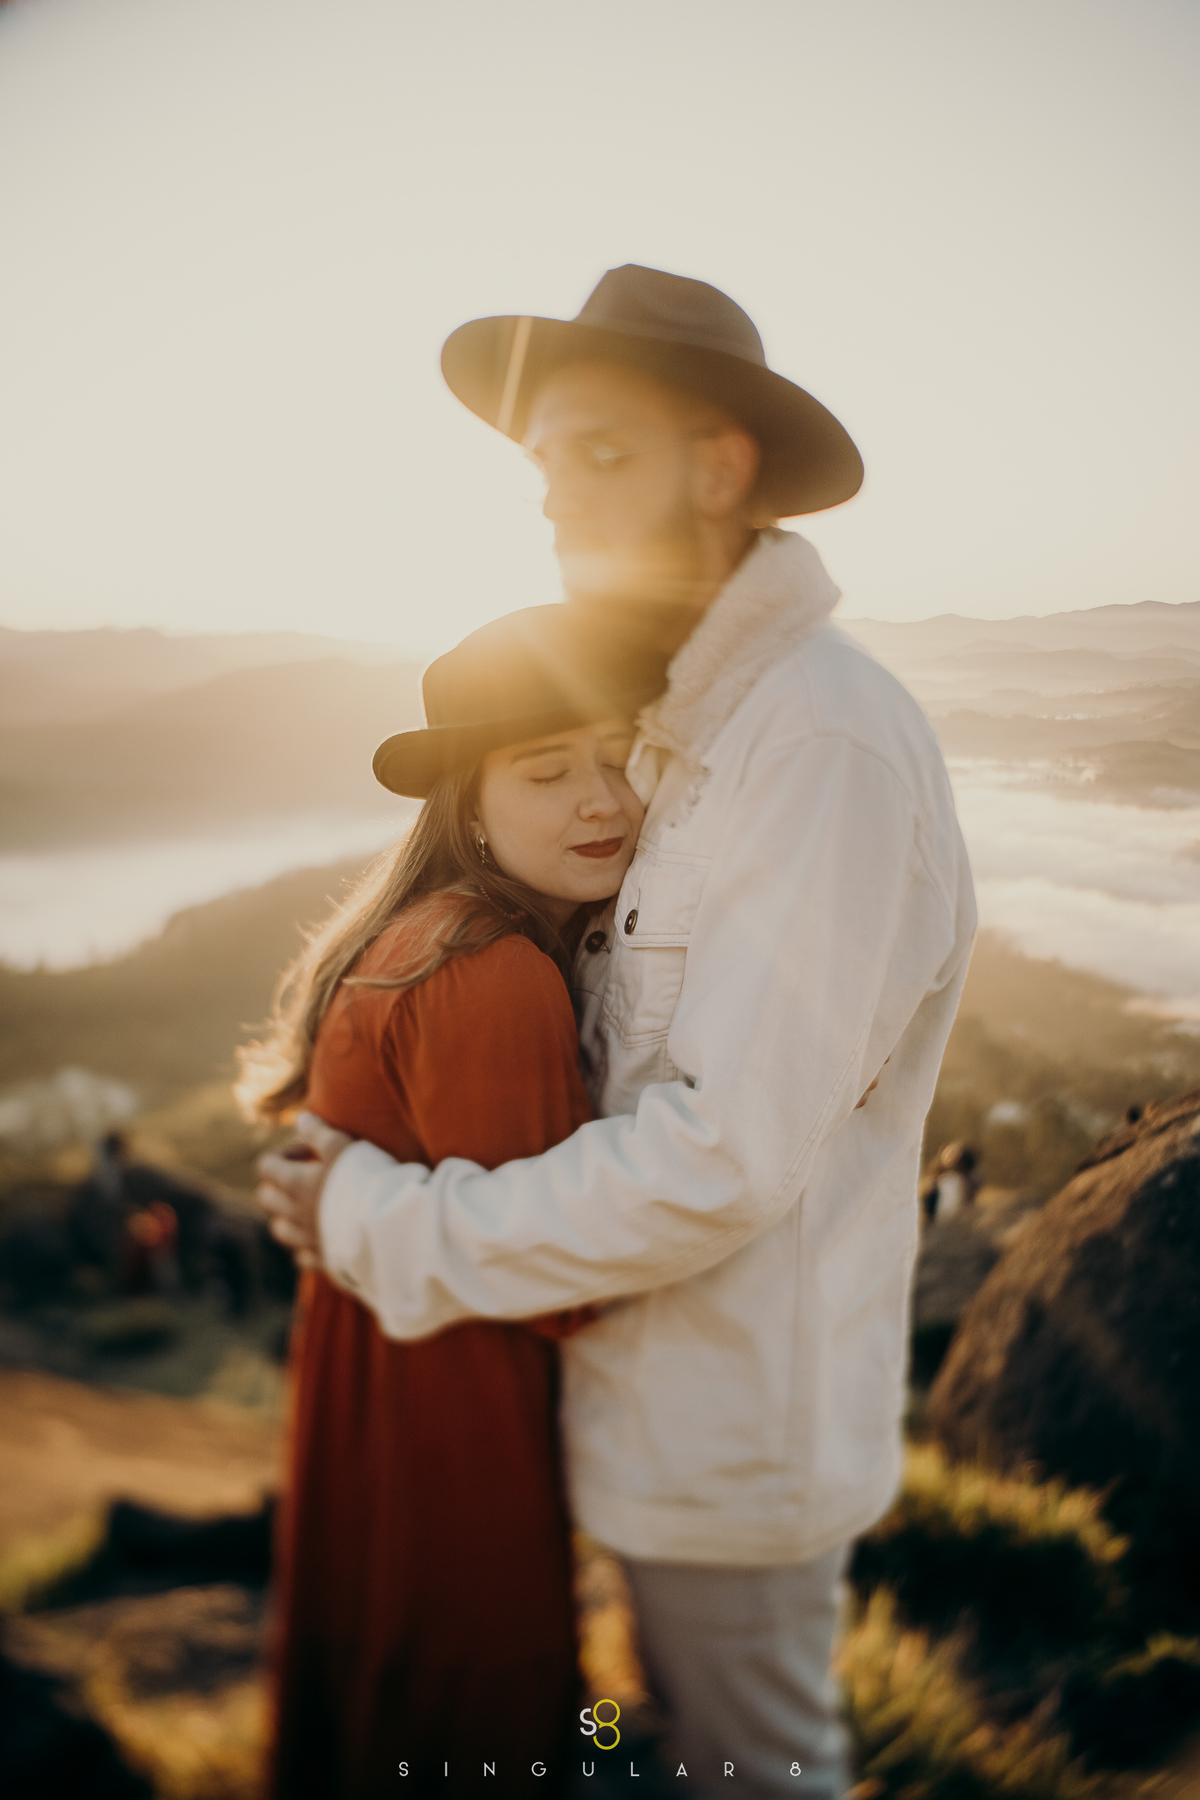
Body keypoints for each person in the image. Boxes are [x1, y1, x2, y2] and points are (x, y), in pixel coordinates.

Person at [260, 264, 978, 1798]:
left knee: (756, 1770)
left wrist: (373, 1217)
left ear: (719, 469)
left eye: (598, 453)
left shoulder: (817, 738)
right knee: (636, 1746)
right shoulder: (692, 725)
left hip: (731, 1439)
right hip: (639, 1417)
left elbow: (722, 1156)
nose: (553, 500)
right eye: (543, 465)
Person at [239, 604, 665, 1799]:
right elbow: (557, 1279)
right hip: (455, 1409)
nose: (603, 801)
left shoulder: (428, 935)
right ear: (469, 805)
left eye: (620, 756)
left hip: (388, 1375)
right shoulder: (490, 973)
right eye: (547, 771)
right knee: (471, 1710)